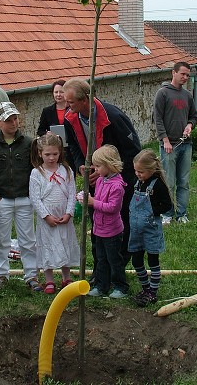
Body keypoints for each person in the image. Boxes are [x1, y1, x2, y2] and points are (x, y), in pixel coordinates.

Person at [63, 79, 141, 274]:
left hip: (118, 180)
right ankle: (101, 269)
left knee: (119, 221)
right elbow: (73, 145)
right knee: (99, 222)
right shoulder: (70, 118)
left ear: (84, 100)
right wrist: (82, 164)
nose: (67, 106)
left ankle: (118, 268)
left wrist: (106, 171)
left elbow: (132, 150)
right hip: (95, 180)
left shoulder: (112, 117)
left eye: (71, 102)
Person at [0, 101, 40, 291]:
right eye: (8, 120)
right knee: (0, 239)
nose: (13, 123)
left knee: (28, 239)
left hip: (24, 198)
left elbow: (35, 170)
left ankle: (31, 275)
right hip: (2, 199)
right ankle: (1, 274)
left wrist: (32, 195)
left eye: (15, 118)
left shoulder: (28, 143)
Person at [29, 132, 79, 294]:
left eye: (55, 154)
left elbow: (72, 193)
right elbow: (35, 198)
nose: (51, 158)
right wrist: (46, 216)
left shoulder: (66, 170)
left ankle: (66, 277)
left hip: (63, 215)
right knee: (48, 246)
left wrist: (69, 212)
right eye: (47, 154)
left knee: (65, 243)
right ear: (40, 153)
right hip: (48, 218)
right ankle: (49, 280)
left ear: (60, 152)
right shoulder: (37, 173)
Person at [153, 62, 197, 224]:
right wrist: (165, 140)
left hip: (185, 144)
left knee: (184, 182)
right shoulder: (163, 93)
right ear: (174, 73)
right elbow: (157, 119)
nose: (185, 77)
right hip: (169, 145)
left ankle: (182, 214)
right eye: (183, 74)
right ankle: (167, 214)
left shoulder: (187, 95)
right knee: (169, 182)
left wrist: (189, 125)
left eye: (187, 75)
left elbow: (194, 116)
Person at [129, 149, 172, 307]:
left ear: (152, 169)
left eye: (141, 171)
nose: (137, 174)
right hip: (136, 230)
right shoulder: (138, 183)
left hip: (151, 229)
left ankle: (152, 292)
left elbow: (167, 205)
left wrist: (152, 211)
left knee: (153, 261)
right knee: (136, 260)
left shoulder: (157, 185)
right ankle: (145, 288)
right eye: (136, 171)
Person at [87, 145, 129, 299]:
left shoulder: (117, 186)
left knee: (114, 260)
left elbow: (113, 208)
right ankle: (101, 285)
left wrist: (92, 202)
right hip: (99, 228)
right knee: (101, 259)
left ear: (109, 165)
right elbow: (97, 199)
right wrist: (87, 200)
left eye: (98, 166)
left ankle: (120, 286)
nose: (95, 170)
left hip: (112, 231)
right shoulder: (100, 181)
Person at [37, 79, 75, 173]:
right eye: (56, 92)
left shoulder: (73, 109)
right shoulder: (47, 111)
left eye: (61, 92)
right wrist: (47, 133)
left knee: (70, 173)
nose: (58, 95)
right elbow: (40, 130)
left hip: (71, 149)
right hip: (54, 149)